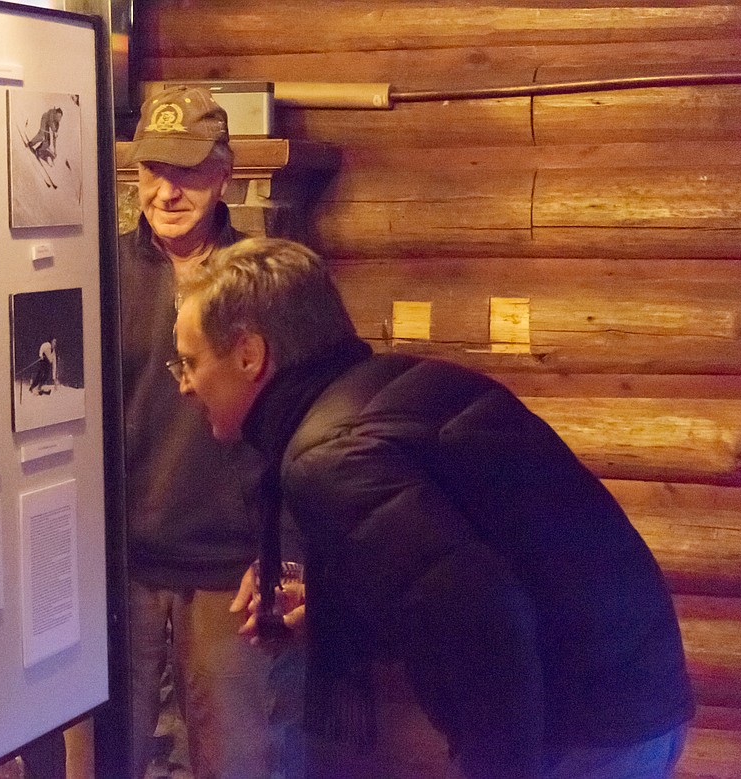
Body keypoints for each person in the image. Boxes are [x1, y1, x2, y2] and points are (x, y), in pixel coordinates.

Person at [170, 237, 696, 779]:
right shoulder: (380, 390)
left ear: (249, 355)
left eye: (190, 361)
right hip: (621, 690)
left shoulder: (332, 455)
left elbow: (486, 627)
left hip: (588, 726)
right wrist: (329, 606)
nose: (185, 385)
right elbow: (450, 585)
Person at [119, 85, 301, 779]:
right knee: (103, 761)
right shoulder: (98, 270)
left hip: (233, 568)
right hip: (122, 569)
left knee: (242, 763)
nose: (168, 190)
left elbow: (300, 427)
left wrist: (287, 553)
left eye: (189, 170)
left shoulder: (265, 279)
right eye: (154, 170)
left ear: (224, 174)